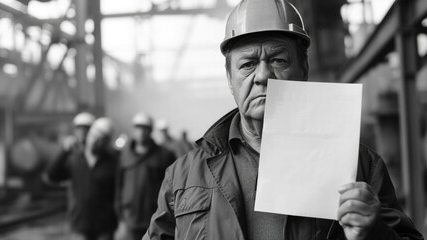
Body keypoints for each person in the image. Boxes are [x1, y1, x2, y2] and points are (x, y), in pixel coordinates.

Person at [142, 0, 424, 239]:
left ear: (304, 70)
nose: (263, 76)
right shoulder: (182, 175)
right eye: (247, 64)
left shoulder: (361, 166)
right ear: (230, 79)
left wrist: (376, 231)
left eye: (278, 60)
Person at [46, 116, 118, 240]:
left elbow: (120, 193)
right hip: (79, 225)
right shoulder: (75, 160)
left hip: (104, 227)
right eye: (93, 136)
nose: (94, 141)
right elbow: (52, 176)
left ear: (106, 143)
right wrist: (64, 151)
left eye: (100, 139)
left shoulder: (113, 163)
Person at [117, 113, 176, 240]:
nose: (141, 132)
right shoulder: (124, 155)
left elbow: (172, 188)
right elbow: (119, 186)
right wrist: (119, 216)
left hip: (155, 219)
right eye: (138, 128)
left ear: (150, 130)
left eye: (144, 128)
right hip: (130, 218)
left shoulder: (164, 155)